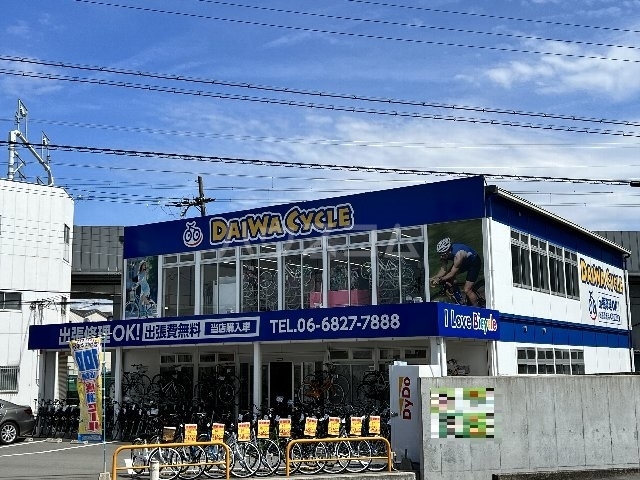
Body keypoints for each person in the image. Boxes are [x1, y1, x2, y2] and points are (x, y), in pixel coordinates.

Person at [430, 237, 482, 306]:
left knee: (467, 289)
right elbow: (443, 271)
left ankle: (477, 308)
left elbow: (452, 273)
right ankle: (459, 300)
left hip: (474, 263)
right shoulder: (444, 255)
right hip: (462, 262)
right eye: (440, 254)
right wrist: (434, 277)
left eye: (443, 254)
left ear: (449, 251)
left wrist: (440, 279)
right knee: (449, 280)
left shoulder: (458, 255)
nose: (442, 256)